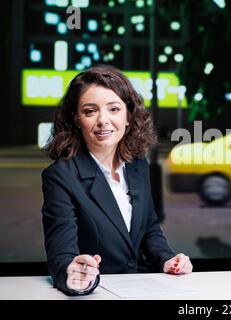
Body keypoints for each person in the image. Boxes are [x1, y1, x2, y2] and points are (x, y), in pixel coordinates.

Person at [42, 64, 192, 296]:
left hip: (142, 290)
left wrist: (167, 260)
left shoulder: (138, 165)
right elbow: (61, 257)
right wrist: (74, 275)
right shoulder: (60, 176)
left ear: (128, 116)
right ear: (76, 119)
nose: (103, 120)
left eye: (113, 109)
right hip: (99, 292)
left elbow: (149, 228)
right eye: (90, 111)